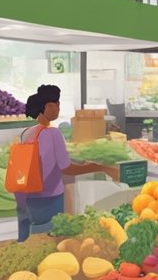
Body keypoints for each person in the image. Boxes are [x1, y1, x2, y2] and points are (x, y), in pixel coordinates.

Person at [14, 85, 118, 242]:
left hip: (26, 196)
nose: (58, 108)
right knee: (51, 242)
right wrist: (100, 167)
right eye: (57, 104)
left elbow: (40, 160)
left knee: (27, 242)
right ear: (48, 106)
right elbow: (67, 168)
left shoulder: (27, 132)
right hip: (48, 198)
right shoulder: (53, 133)